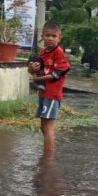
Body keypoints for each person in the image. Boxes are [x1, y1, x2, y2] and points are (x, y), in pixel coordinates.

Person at [28, 22, 70, 152]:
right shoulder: (42, 53)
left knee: (48, 127)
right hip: (43, 93)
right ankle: (47, 154)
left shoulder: (59, 53)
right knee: (42, 126)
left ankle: (47, 159)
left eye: (54, 36)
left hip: (52, 95)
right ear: (42, 36)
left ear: (59, 37)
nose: (50, 38)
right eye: (47, 35)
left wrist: (37, 79)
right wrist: (31, 69)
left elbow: (56, 75)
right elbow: (35, 70)